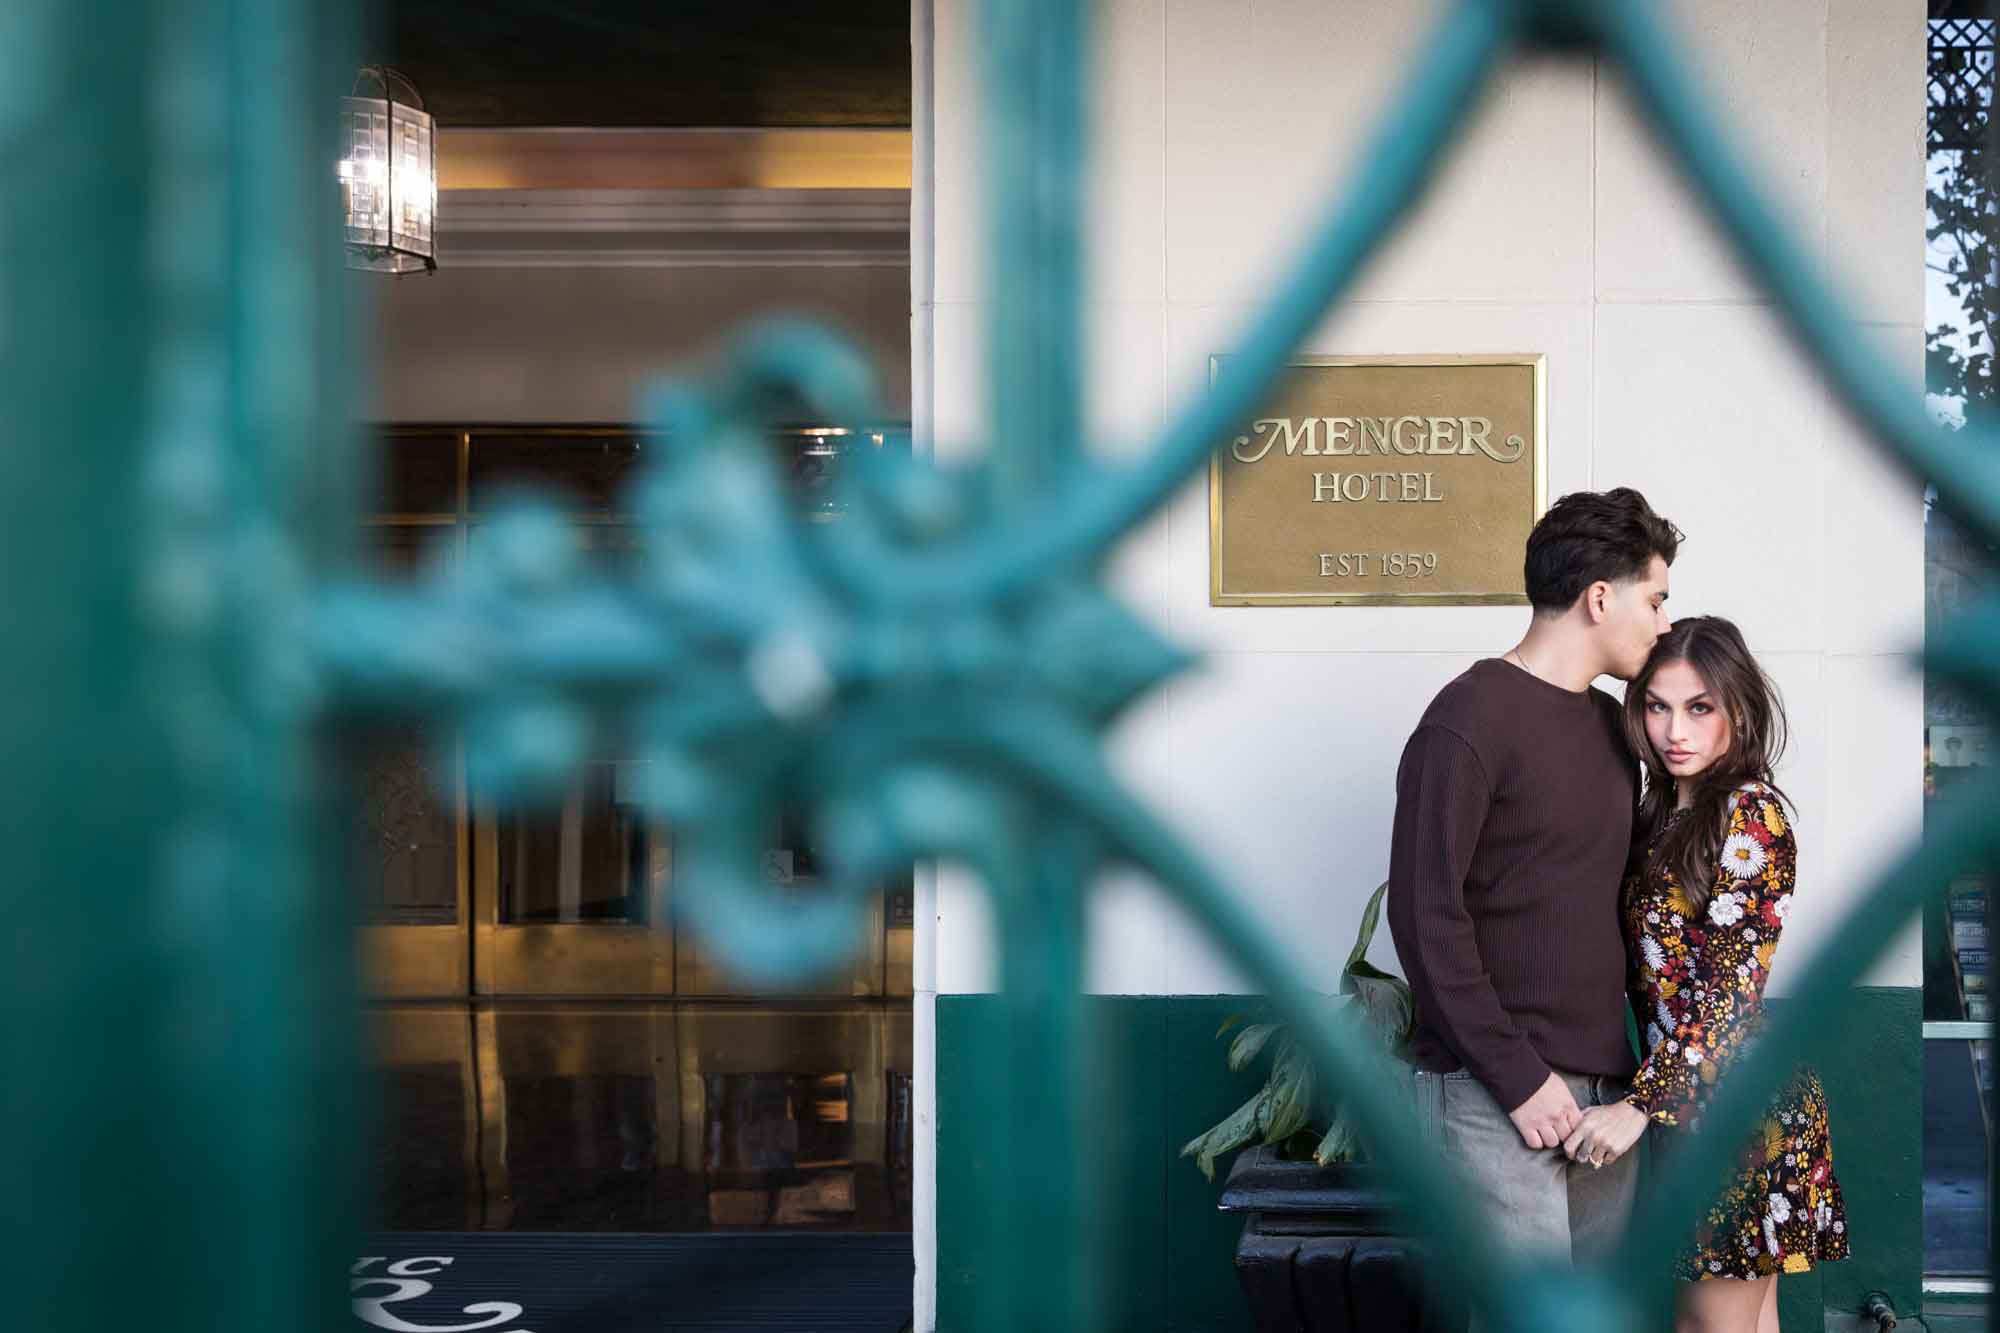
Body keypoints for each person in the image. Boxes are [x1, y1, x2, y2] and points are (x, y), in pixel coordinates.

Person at [1387, 487, 1679, 1265]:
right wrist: (1519, 1076)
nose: (1664, 622)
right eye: (1655, 600)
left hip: (1604, 1096)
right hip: (1491, 1091)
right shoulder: (1467, 719)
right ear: (1599, 597)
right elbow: (1424, 917)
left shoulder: (1619, 733)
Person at [1561, 618, 1848, 1333]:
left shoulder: (1751, 815)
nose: (1673, 729)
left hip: (1738, 1107)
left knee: (1707, 1324)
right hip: (1693, 1104)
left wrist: (1637, 1104)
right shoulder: (1661, 811)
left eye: (1699, 706)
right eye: (1656, 705)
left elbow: (1729, 990)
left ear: (1738, 710)